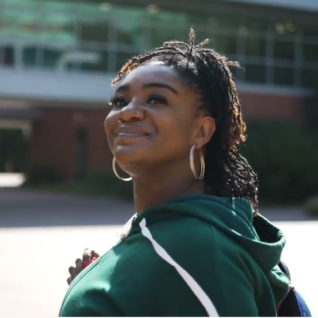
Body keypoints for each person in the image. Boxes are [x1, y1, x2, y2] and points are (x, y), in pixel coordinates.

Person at [59, 29, 291, 317]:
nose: (128, 112)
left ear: (202, 130)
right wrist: (101, 285)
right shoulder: (174, 231)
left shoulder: (193, 247)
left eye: (156, 99)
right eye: (120, 101)